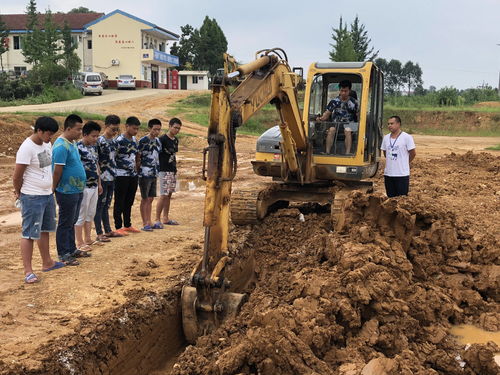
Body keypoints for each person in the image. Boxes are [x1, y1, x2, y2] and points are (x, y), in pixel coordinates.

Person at [13, 116, 65, 283]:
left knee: (45, 229)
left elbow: (44, 167)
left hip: (47, 194)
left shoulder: (46, 144)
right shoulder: (26, 148)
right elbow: (17, 175)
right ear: (39, 131)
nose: (50, 138)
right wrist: (18, 192)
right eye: (48, 134)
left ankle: (47, 262)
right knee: (29, 233)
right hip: (32, 195)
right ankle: (28, 271)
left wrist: (49, 187)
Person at [52, 114, 88, 266]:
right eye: (78, 129)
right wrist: (53, 188)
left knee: (72, 221)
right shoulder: (61, 146)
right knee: (65, 222)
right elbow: (57, 171)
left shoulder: (72, 143)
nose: (80, 133)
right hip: (66, 190)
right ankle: (63, 253)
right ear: (68, 128)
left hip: (77, 189)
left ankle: (71, 249)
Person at [94, 115, 122, 242]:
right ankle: (99, 233)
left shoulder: (115, 142)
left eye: (116, 129)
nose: (114, 132)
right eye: (112, 129)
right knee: (99, 205)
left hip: (112, 177)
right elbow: (96, 161)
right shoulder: (99, 141)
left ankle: (108, 230)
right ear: (106, 126)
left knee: (106, 205)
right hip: (102, 178)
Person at [75, 121, 102, 251]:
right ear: (85, 134)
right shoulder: (77, 147)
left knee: (91, 213)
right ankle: (79, 242)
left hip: (94, 185)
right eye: (93, 136)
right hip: (84, 186)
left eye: (97, 136)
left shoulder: (94, 147)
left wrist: (99, 183)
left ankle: (88, 238)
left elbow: (97, 165)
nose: (95, 139)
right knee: (81, 213)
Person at [113, 116, 141, 235]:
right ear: (127, 126)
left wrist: (136, 169)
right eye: (134, 128)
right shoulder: (119, 141)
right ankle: (118, 226)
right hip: (120, 175)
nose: (135, 131)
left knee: (129, 200)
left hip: (132, 174)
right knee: (120, 200)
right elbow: (113, 157)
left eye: (137, 129)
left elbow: (137, 156)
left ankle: (127, 224)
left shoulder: (135, 140)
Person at [316, 79, 359, 155]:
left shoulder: (354, 102)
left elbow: (359, 116)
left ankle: (347, 153)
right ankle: (327, 152)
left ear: (349, 91)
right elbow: (327, 114)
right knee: (331, 129)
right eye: (342, 91)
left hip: (351, 125)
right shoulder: (334, 102)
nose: (343, 93)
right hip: (336, 125)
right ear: (339, 90)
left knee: (347, 130)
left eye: (345, 91)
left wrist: (360, 126)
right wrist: (320, 119)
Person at [381, 116, 416, 198]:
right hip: (388, 174)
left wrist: (405, 162)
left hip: (401, 175)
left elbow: (413, 153)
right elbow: (385, 152)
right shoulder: (386, 138)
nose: (389, 125)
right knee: (390, 199)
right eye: (388, 124)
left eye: (392, 123)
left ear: (398, 124)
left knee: (401, 199)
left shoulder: (407, 137)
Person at [155, 118, 182, 227]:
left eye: (179, 128)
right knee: (163, 194)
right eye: (175, 127)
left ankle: (165, 217)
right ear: (169, 126)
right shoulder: (161, 140)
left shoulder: (175, 140)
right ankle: (157, 219)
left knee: (169, 194)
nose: (177, 130)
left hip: (172, 169)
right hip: (164, 169)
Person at [137, 118, 162, 231]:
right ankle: (144, 222)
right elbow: (138, 157)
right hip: (144, 173)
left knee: (151, 198)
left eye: (159, 130)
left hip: (154, 173)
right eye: (155, 129)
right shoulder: (143, 141)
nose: (157, 132)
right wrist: (139, 171)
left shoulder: (158, 141)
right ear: (149, 128)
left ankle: (149, 221)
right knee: (145, 198)